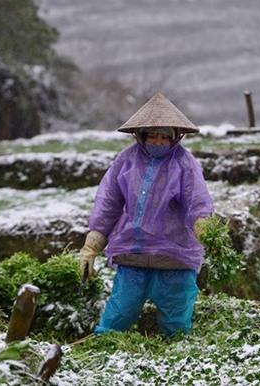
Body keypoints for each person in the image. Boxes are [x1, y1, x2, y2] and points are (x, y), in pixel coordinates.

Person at [79, 92, 213, 337]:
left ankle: (175, 362)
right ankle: (103, 350)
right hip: (134, 254)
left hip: (174, 257)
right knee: (115, 319)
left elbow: (198, 203)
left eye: (164, 137)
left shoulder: (184, 163)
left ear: (175, 137)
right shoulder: (126, 160)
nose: (158, 141)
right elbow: (109, 202)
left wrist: (205, 231)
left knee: (176, 326)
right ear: (141, 135)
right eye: (153, 135)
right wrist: (92, 246)